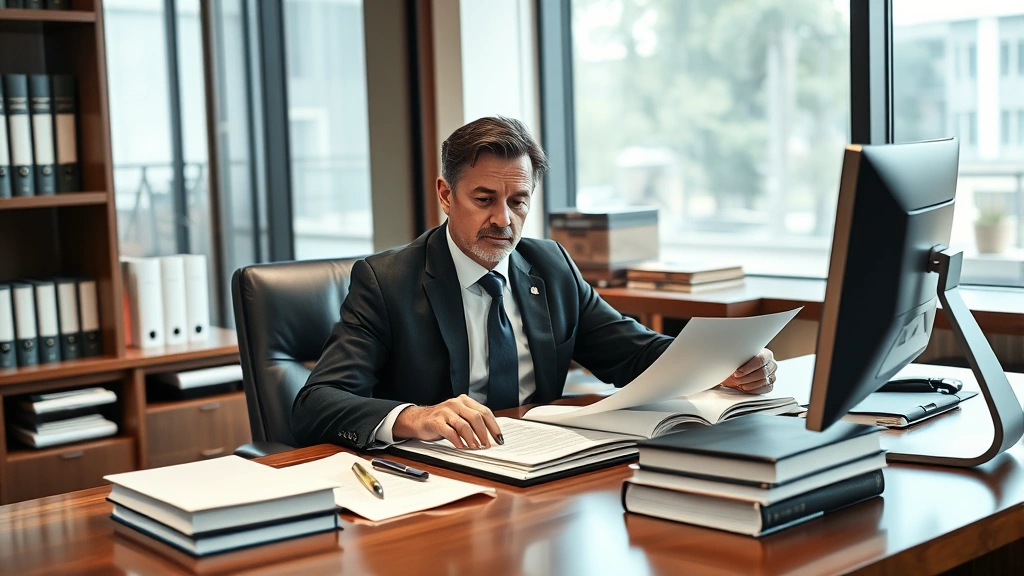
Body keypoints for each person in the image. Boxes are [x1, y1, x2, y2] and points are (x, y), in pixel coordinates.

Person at [291, 116, 777, 451]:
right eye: (484, 199)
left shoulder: (549, 264)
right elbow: (316, 404)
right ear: (445, 194)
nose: (503, 220)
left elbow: (631, 352)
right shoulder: (385, 281)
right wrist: (414, 417)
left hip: (540, 463)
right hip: (437, 478)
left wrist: (722, 366)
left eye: (518, 201)